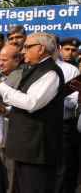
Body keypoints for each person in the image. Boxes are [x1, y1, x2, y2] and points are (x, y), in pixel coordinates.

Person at [0, 32, 64, 193]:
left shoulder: (50, 72)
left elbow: (32, 103)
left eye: (27, 47)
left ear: (41, 49)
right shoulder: (35, 70)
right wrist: (7, 111)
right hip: (25, 148)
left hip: (36, 151)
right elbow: (24, 104)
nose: (23, 51)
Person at [0, 44, 24, 193]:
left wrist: (5, 110)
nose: (0, 63)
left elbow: (23, 104)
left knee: (11, 177)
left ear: (17, 60)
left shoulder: (22, 77)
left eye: (4, 60)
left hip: (12, 135)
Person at [54, 37, 81, 193]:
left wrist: (55, 98)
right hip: (45, 123)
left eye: (73, 50)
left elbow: (72, 102)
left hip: (65, 124)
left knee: (63, 167)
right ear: (59, 49)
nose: (70, 53)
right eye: (67, 49)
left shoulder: (72, 71)